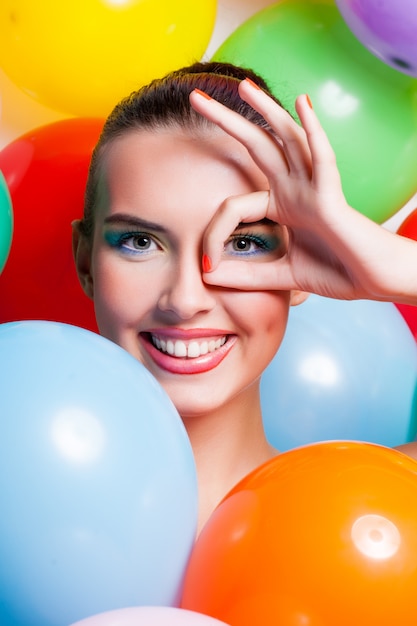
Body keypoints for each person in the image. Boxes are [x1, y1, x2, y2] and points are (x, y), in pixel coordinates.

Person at [72, 61, 417, 533]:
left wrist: (397, 268)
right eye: (141, 242)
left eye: (243, 243)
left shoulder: (379, 511)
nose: (186, 299)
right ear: (86, 262)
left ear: (299, 271)